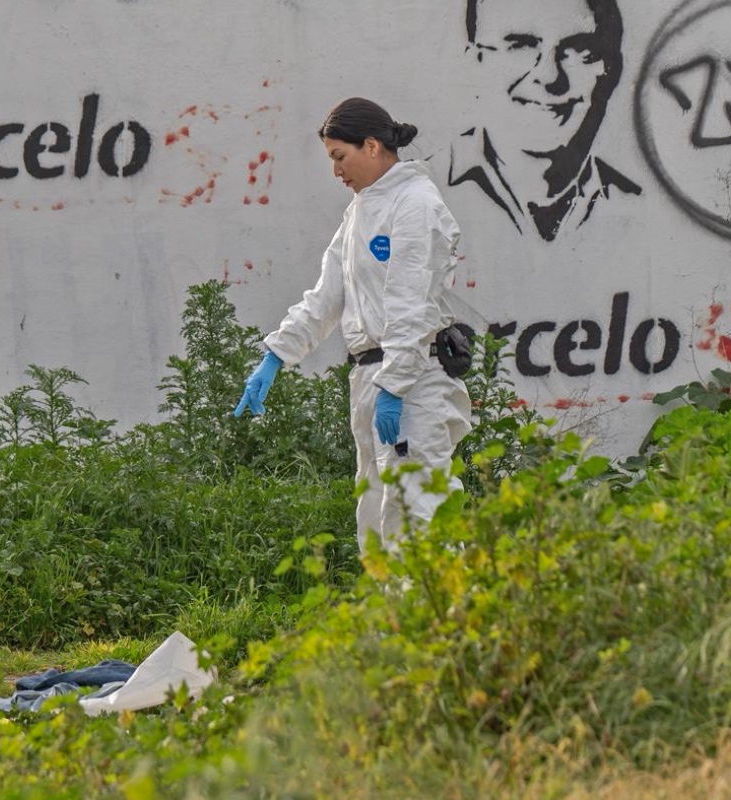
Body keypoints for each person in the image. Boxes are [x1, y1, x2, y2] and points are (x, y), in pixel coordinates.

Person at [234, 98, 473, 554]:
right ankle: (390, 623)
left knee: (417, 513)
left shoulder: (415, 205)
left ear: (370, 146)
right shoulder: (360, 211)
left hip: (412, 381)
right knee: (377, 517)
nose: (336, 172)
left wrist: (395, 384)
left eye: (339, 158)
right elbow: (328, 295)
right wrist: (276, 356)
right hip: (371, 378)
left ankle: (443, 621)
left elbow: (412, 303)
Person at [447, 0, 640, 241]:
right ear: (475, 62)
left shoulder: (639, 205)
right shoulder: (421, 188)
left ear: (608, 70)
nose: (549, 77)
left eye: (579, 51)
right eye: (520, 46)